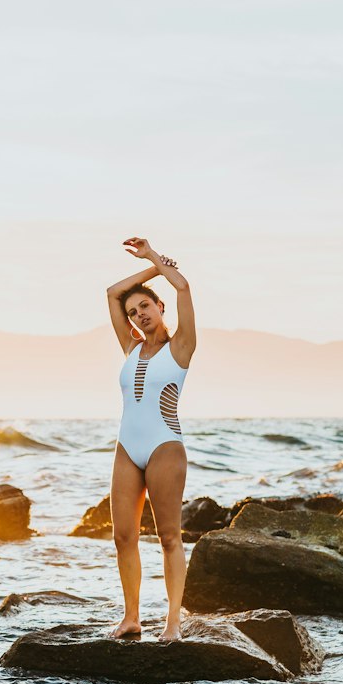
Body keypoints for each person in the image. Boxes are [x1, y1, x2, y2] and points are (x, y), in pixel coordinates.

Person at [106, 237, 197, 641]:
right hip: (127, 448)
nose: (139, 314)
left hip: (165, 446)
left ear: (160, 308)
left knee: (168, 536)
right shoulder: (129, 347)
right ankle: (131, 618)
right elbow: (111, 293)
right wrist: (150, 270)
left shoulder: (181, 346)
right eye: (133, 311)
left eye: (145, 306)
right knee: (123, 535)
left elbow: (184, 288)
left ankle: (173, 622)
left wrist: (158, 261)